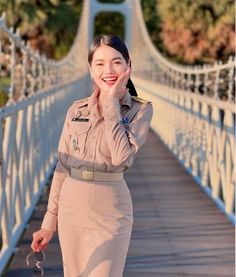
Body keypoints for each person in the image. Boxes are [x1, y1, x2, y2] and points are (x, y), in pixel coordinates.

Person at [31, 34, 153, 277]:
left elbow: (121, 158)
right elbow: (63, 166)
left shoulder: (141, 109)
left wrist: (110, 103)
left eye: (116, 62)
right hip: (71, 207)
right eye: (99, 63)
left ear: (129, 66)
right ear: (90, 70)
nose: (108, 70)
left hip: (111, 209)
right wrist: (48, 223)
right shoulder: (76, 109)